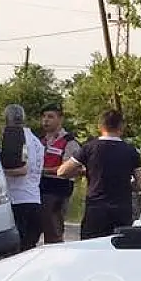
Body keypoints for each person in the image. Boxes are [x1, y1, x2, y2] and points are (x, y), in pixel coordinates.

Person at [60, 109, 141, 239]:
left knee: (91, 250)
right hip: (122, 211)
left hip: (96, 209)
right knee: (119, 251)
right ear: (121, 126)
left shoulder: (90, 148)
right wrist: (124, 183)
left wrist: (83, 172)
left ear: (100, 126)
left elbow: (62, 171)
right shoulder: (131, 151)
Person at [0, 104, 45, 250]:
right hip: (34, 201)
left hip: (18, 202)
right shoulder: (35, 141)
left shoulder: (14, 136)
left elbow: (21, 169)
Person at [36, 103, 83, 244]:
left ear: (60, 119)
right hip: (40, 187)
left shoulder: (69, 142)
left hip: (58, 189)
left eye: (50, 117)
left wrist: (43, 170)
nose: (46, 120)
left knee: (53, 229)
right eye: (43, 117)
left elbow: (69, 168)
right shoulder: (40, 140)